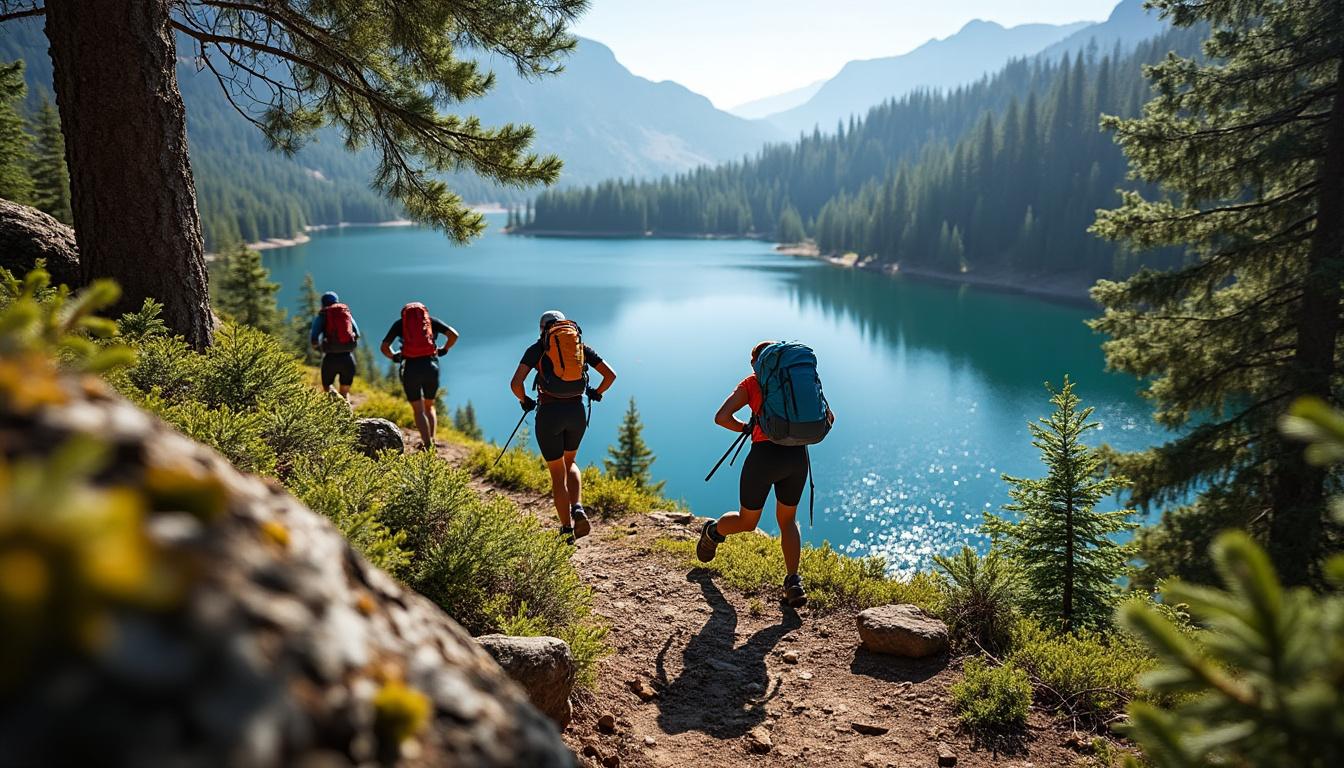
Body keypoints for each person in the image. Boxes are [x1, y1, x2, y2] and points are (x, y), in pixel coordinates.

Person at [696, 340, 835, 609]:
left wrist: (747, 428)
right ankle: (793, 582)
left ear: (757, 363)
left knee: (747, 521)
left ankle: (713, 532)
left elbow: (721, 417)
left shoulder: (751, 383)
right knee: (788, 521)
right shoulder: (798, 381)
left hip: (763, 458)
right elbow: (829, 417)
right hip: (796, 458)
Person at [510, 310, 616, 543]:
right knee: (571, 462)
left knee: (558, 475)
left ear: (542, 329)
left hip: (549, 414)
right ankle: (577, 507)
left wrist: (524, 400)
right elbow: (610, 375)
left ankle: (567, 530)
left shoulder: (537, 348)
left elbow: (516, 383)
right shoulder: (580, 348)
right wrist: (595, 393)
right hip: (576, 413)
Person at [380, 302, 459, 450]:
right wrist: (444, 349)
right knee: (429, 407)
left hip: (411, 368)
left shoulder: (400, 324)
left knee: (418, 409)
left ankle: (427, 444)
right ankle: (433, 439)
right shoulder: (430, 321)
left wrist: (394, 357)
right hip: (431, 366)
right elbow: (454, 335)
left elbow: (384, 347)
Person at [310, 291, 360, 402]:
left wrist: (320, 348)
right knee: (344, 394)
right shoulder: (346, 314)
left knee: (328, 393)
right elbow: (357, 334)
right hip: (348, 359)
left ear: (323, 303)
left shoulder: (323, 315)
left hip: (330, 359)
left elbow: (314, 338)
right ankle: (346, 415)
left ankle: (331, 416)